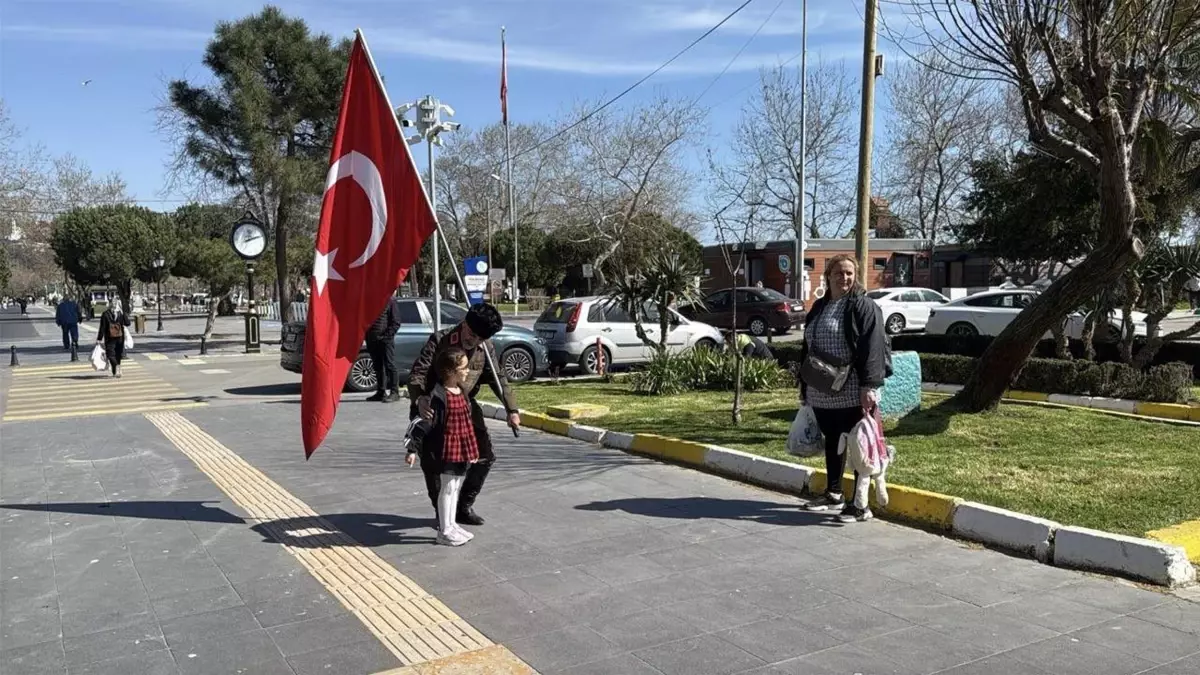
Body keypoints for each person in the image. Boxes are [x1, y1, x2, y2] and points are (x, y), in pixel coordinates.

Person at [408, 302, 520, 526]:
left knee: (485, 456)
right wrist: (420, 398)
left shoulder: (485, 348)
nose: (473, 341)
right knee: (435, 466)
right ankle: (443, 514)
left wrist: (512, 410)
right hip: (433, 405)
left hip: (464, 405)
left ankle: (462, 506)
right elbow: (418, 373)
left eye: (479, 338)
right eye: (471, 334)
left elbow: (499, 379)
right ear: (464, 323)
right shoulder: (440, 340)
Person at [798, 254, 890, 523]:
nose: (844, 278)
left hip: (853, 390)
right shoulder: (820, 306)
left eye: (849, 273)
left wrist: (869, 385)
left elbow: (873, 347)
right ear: (828, 276)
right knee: (833, 442)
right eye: (839, 273)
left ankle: (860, 505)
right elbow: (807, 347)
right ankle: (834, 493)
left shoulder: (863, 306)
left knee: (860, 446)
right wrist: (804, 384)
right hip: (822, 390)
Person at [405, 347, 482, 546]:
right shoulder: (439, 397)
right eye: (464, 367)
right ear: (450, 371)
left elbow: (466, 419)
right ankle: (444, 530)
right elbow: (423, 423)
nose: (467, 371)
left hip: (461, 446)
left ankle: (451, 524)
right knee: (447, 488)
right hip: (446, 449)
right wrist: (412, 448)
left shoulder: (461, 392)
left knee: (456, 487)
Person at [365, 296, 402, 402]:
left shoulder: (390, 300)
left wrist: (386, 336)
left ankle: (395, 392)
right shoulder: (369, 302)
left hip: (386, 339)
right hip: (372, 338)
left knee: (390, 365)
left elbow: (396, 322)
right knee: (377, 366)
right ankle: (381, 392)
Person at [97, 298, 131, 378]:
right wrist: (123, 313)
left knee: (111, 355)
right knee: (116, 355)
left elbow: (102, 327)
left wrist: (99, 338)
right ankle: (116, 370)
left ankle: (116, 369)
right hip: (118, 337)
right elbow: (127, 323)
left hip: (110, 338)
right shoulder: (118, 313)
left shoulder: (106, 314)